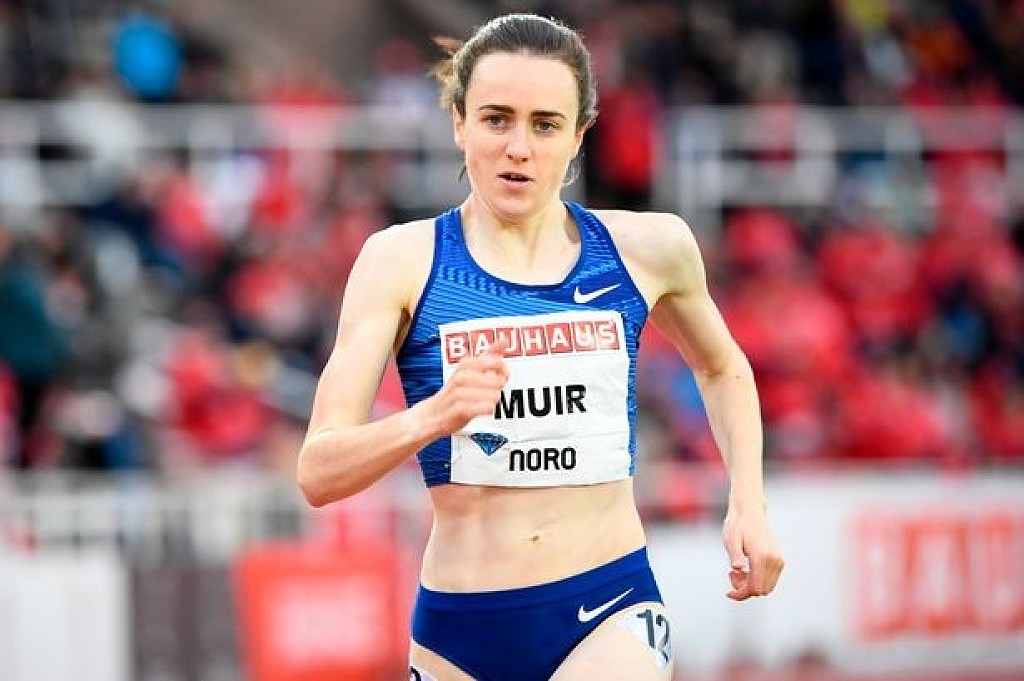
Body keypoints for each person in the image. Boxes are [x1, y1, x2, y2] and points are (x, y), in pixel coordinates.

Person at [297, 13, 784, 681]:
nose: (518, 148)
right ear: (459, 124)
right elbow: (319, 471)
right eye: (496, 119)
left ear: (579, 136)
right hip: (459, 630)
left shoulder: (648, 249)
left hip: (610, 604)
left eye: (545, 124)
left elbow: (722, 366)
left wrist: (749, 503)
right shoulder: (401, 261)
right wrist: (432, 416)